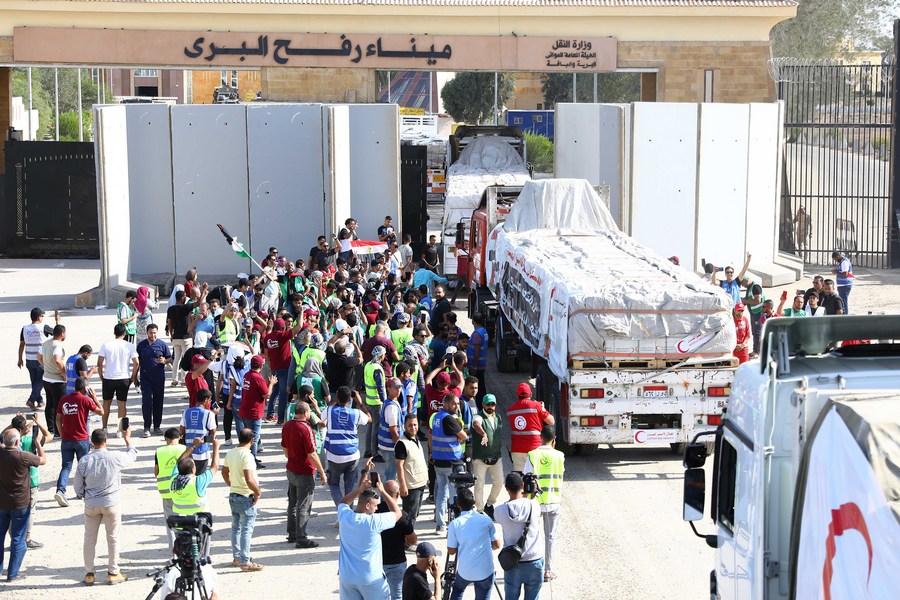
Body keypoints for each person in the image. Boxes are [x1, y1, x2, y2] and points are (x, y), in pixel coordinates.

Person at [74, 426, 137, 585]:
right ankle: (113, 572)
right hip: (111, 502)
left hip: (91, 503)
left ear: (91, 442)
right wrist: (128, 439)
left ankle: (89, 573)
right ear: (106, 441)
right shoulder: (114, 457)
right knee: (113, 538)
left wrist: (84, 495)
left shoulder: (85, 460)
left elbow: (77, 486)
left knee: (89, 538)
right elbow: (132, 455)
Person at [337, 459, 402, 600]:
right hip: (371, 579)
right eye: (375, 505)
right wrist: (383, 491)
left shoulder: (345, 517)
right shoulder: (373, 522)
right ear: (367, 506)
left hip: (347, 577)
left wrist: (361, 486)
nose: (377, 508)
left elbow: (343, 502)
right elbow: (397, 513)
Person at [0, 426, 46, 582]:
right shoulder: (23, 456)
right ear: (18, 442)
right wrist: (38, 442)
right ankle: (12, 574)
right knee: (18, 538)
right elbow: (43, 460)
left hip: (2, 503)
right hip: (20, 503)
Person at [282, 400, 328, 549]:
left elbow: (285, 448)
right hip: (304, 472)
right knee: (304, 505)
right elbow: (312, 454)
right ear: (306, 413)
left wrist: (292, 459)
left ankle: (292, 534)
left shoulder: (287, 425)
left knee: (293, 503)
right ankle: (301, 538)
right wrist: (321, 471)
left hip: (291, 469)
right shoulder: (306, 428)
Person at [54, 377, 104, 508]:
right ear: (84, 388)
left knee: (66, 466)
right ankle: (83, 491)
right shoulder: (85, 400)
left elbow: (58, 419)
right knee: (84, 466)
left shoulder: (64, 399)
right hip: (81, 439)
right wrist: (94, 397)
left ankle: (60, 490)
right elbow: (102, 412)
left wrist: (62, 433)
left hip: (67, 439)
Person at [524, 425, 565, 582]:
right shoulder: (560, 455)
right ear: (554, 438)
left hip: (535, 502)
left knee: (532, 535)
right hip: (553, 502)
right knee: (550, 537)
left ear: (540, 437)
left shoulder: (532, 455)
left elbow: (527, 477)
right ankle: (547, 571)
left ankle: (531, 569)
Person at [494, 472, 544, 600]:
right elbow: (528, 503)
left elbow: (514, 506)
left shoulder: (500, 511)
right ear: (522, 485)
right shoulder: (534, 505)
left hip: (513, 562)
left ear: (506, 488)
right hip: (534, 561)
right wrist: (533, 493)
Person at [446, 487, 501, 600]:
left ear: (458, 505)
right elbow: (497, 545)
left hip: (465, 571)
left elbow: (451, 551)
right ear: (474, 503)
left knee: (457, 590)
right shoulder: (486, 520)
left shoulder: (454, 524)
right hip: (485, 571)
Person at [222, 428, 263, 571]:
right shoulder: (248, 456)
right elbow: (249, 478)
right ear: (252, 440)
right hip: (246, 497)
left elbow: (224, 472)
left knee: (235, 527)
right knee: (246, 529)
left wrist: (231, 484)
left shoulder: (231, 453)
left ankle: (237, 557)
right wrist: (257, 491)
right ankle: (246, 561)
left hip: (233, 495)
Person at [323, 385, 371, 508]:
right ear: (350, 400)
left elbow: (322, 418)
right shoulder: (356, 413)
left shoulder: (329, 411)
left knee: (333, 484)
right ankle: (347, 513)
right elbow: (369, 420)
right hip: (352, 456)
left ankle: (341, 510)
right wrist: (360, 403)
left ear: (337, 398)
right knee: (350, 487)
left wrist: (335, 400)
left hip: (334, 456)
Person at [9, 414, 49, 551]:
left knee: (11, 510)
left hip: (12, 480)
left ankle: (13, 536)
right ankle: (27, 537)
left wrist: (13, 425)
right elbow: (48, 436)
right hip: (31, 480)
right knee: (31, 510)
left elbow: (3, 434)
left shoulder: (9, 441)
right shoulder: (30, 440)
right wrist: (38, 423)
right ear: (25, 428)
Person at [432, 394, 468, 534]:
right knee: (455, 494)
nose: (457, 406)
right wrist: (460, 437)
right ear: (446, 404)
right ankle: (454, 523)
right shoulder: (448, 419)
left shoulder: (436, 417)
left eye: (458, 404)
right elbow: (463, 436)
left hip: (438, 461)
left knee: (441, 492)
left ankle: (440, 525)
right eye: (454, 404)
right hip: (452, 461)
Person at [96, 324, 139, 436]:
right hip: (124, 377)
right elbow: (136, 363)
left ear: (114, 333)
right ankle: (120, 430)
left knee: (106, 403)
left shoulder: (106, 345)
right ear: (124, 334)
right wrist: (133, 377)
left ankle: (104, 427)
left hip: (109, 377)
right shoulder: (129, 345)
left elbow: (99, 363)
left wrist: (101, 376)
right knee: (122, 404)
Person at [378, 479, 417, 600]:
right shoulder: (403, 516)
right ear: (398, 494)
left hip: (377, 561)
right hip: (397, 561)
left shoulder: (375, 512)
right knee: (397, 595)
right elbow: (412, 540)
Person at [506, 383, 554, 472]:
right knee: (535, 476)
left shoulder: (510, 410)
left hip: (517, 449)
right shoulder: (536, 405)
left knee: (519, 478)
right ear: (531, 394)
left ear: (517, 395)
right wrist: (542, 408)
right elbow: (551, 421)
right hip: (535, 447)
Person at [137, 323, 173, 437]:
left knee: (158, 401)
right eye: (150, 333)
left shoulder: (162, 345)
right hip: (145, 378)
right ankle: (146, 427)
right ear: (147, 333)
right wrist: (134, 377)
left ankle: (157, 426)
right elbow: (137, 361)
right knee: (147, 401)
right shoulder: (141, 345)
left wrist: (164, 360)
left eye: (154, 333)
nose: (152, 335)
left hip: (159, 378)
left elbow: (170, 358)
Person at [154, 428, 186, 553]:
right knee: (184, 520)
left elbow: (156, 472)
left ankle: (174, 553)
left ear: (166, 439)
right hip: (183, 491)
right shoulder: (184, 449)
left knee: (170, 523)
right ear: (179, 438)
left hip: (166, 491)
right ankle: (185, 550)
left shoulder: (159, 451)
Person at [19, 307, 58, 410]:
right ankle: (31, 400)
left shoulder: (25, 328)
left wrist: (20, 359)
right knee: (41, 380)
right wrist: (57, 322)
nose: (43, 318)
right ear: (38, 317)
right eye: (42, 316)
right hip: (40, 359)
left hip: (29, 359)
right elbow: (57, 334)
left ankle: (39, 400)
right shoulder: (43, 327)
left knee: (34, 381)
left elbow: (22, 345)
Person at [240, 355, 276, 464]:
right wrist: (272, 384)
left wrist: (268, 384)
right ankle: (252, 462)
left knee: (248, 438)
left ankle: (248, 459)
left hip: (245, 410)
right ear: (261, 365)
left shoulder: (247, 375)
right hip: (254, 412)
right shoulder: (257, 377)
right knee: (253, 439)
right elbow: (267, 395)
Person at [471, 394, 503, 513]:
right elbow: (476, 425)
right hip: (480, 458)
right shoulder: (478, 417)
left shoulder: (498, 417)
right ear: (483, 404)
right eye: (488, 404)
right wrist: (483, 434)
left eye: (492, 404)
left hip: (496, 457)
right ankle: (479, 509)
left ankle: (489, 504)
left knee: (499, 482)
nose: (490, 407)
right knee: (479, 485)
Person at [395, 414, 427, 527]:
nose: (413, 427)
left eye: (415, 425)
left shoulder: (415, 438)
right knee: (409, 517)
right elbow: (399, 466)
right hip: (411, 486)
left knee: (415, 514)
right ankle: (406, 541)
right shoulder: (401, 443)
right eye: (410, 425)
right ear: (404, 426)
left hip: (420, 484)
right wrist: (402, 485)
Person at [37, 323, 67, 436]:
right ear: (62, 334)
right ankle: (58, 431)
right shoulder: (57, 345)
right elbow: (57, 360)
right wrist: (64, 372)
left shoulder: (45, 343)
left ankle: (51, 429)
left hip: (46, 378)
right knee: (59, 406)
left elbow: (38, 357)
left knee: (50, 404)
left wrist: (46, 366)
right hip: (57, 380)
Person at [180, 389, 217, 475]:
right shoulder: (209, 414)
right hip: (202, 452)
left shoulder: (186, 412)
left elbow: (181, 431)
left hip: (188, 451)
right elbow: (213, 433)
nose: (210, 402)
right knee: (199, 477)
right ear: (206, 400)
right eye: (210, 400)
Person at [364, 345, 389, 459]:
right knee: (376, 427)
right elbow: (380, 387)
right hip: (376, 402)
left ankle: (368, 450)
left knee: (370, 426)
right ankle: (375, 453)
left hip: (369, 400)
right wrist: (385, 402)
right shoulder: (377, 369)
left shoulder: (368, 365)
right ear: (381, 355)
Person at [378, 377, 404, 482]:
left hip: (386, 446)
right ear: (388, 389)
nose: (398, 390)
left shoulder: (390, 402)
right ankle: (386, 497)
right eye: (395, 388)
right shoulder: (392, 407)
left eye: (399, 388)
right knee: (390, 477)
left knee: (389, 473)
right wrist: (400, 446)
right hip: (390, 447)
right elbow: (393, 430)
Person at [740, 274, 766, 356]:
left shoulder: (755, 287)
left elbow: (757, 300)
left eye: (742, 283)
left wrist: (745, 301)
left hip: (758, 313)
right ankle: (757, 350)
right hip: (754, 313)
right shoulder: (749, 287)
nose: (742, 285)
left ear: (746, 280)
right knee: (755, 332)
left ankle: (757, 351)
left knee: (757, 332)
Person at [467, 313, 489, 409]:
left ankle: (481, 408)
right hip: (481, 365)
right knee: (482, 388)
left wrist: (474, 366)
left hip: (477, 366)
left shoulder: (477, 334)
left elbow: (477, 351)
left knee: (478, 390)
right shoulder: (483, 331)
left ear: (473, 321)